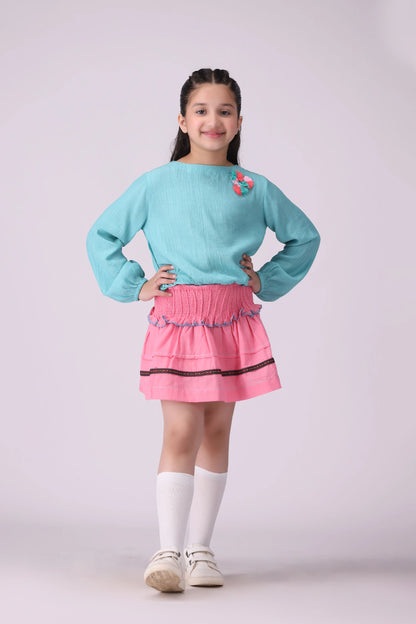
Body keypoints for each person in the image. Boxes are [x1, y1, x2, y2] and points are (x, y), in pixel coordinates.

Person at [86, 68, 321, 593]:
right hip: (180, 320)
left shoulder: (253, 187)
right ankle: (167, 551)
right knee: (180, 430)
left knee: (216, 431)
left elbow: (304, 237)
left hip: (232, 320)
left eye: (224, 111)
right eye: (201, 110)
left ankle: (201, 550)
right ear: (182, 120)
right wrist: (136, 285)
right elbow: (102, 235)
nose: (213, 120)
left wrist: (265, 280)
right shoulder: (156, 183)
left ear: (238, 121)